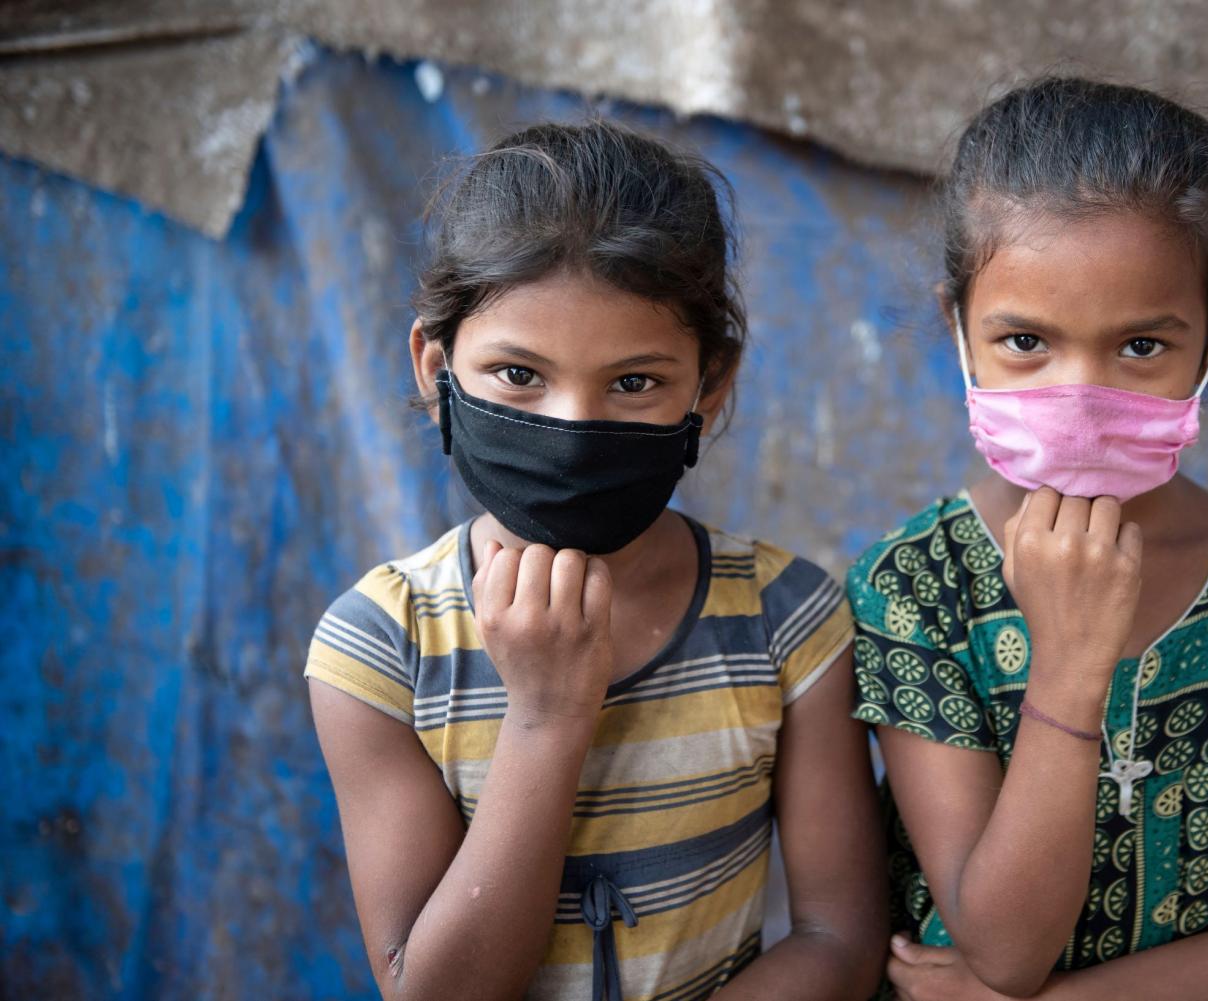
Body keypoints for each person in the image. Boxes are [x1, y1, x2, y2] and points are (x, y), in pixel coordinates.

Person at [849, 78, 1208, 1001]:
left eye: (1140, 347)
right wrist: (1068, 668)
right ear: (959, 329)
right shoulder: (918, 586)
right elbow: (1003, 951)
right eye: (1025, 340)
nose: (1078, 393)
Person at [306, 120, 885, 1001]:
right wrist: (545, 716)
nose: (574, 429)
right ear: (436, 367)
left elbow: (837, 938)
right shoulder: (380, 649)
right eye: (518, 373)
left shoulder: (787, 617)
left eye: (634, 382)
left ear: (710, 385)